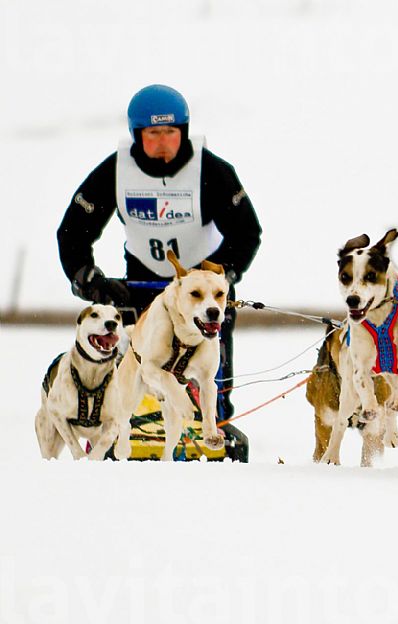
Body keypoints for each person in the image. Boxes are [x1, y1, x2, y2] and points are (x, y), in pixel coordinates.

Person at [56, 84, 261, 461]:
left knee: (208, 360)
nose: (164, 142)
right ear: (138, 135)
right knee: (138, 361)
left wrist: (221, 276)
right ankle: (126, 424)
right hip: (140, 282)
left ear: (183, 131)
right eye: (153, 134)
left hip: (200, 288)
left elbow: (247, 231)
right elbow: (73, 230)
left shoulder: (212, 171)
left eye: (171, 132)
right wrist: (89, 280)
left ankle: (211, 425)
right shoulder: (116, 171)